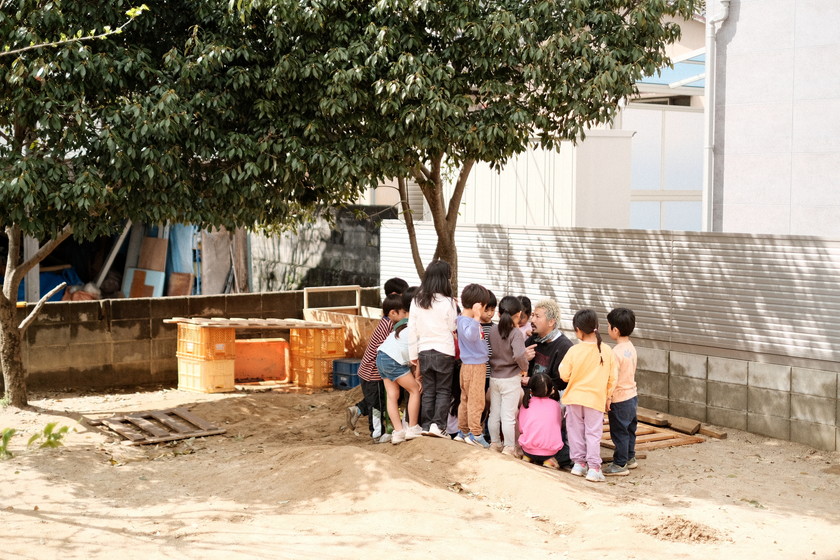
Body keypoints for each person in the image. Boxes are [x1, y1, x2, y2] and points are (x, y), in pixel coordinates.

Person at [559, 309, 617, 483]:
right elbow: (612, 378)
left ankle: (578, 464)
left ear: (578, 330)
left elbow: (564, 375)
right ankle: (594, 468)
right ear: (596, 326)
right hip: (595, 400)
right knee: (593, 433)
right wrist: (608, 397)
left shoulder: (574, 350)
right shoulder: (606, 350)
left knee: (575, 432)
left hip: (574, 398)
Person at [347, 278, 408, 443]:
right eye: (403, 311)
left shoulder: (386, 320)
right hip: (372, 372)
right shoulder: (390, 325)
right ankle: (377, 434)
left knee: (378, 400)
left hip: (373, 371)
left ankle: (358, 410)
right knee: (377, 405)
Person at [406, 260, 459, 438]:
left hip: (424, 350)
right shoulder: (449, 302)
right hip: (444, 351)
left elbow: (412, 329)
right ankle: (439, 426)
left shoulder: (416, 300)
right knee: (443, 390)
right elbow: (453, 326)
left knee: (428, 390)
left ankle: (426, 425)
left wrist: (413, 355)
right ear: (445, 279)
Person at [524, 299, 574, 468]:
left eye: (537, 316)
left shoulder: (564, 346)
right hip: (531, 394)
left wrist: (533, 382)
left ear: (551, 322)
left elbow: (561, 382)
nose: (532, 320)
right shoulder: (533, 340)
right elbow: (521, 368)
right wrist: (523, 358)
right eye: (532, 315)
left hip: (553, 396)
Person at [488, 296, 534, 455]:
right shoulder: (516, 333)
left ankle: (495, 443)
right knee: (508, 415)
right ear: (519, 314)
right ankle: (509, 447)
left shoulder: (493, 330)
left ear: (499, 313)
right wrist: (525, 366)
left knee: (494, 413)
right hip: (510, 378)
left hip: (495, 377)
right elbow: (519, 355)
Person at [375, 293, 423, 445]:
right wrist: (417, 378)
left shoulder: (403, 327)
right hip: (393, 360)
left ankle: (398, 432)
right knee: (414, 390)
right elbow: (417, 357)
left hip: (381, 357)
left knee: (392, 395)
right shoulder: (416, 328)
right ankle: (412, 428)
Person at [454, 283, 492, 447]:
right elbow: (470, 336)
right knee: (476, 401)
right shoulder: (468, 321)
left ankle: (463, 431)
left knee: (466, 399)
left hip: (467, 365)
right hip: (475, 366)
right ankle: (475, 434)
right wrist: (476, 318)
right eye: (484, 307)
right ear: (478, 305)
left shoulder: (462, 320)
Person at [603, 307, 639, 476]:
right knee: (629, 429)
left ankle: (619, 464)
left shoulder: (615, 352)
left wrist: (608, 397)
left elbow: (613, 378)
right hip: (632, 396)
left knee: (619, 433)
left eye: (608, 325)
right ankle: (630, 457)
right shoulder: (631, 347)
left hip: (619, 398)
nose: (607, 328)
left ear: (615, 330)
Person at [517, 372, 565, 468]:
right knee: (565, 439)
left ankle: (528, 457)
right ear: (552, 390)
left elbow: (521, 428)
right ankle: (549, 460)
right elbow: (558, 426)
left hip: (527, 449)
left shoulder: (526, 404)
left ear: (531, 391)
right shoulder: (556, 405)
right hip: (550, 452)